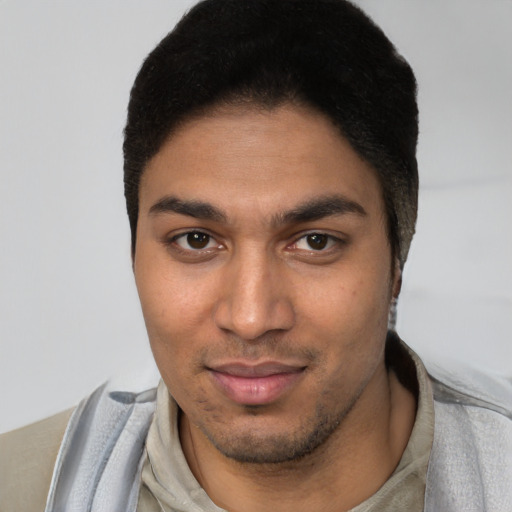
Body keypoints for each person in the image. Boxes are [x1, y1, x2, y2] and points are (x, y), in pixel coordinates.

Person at [1, 1, 510, 511]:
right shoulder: (19, 490)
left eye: (315, 242)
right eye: (196, 240)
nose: (250, 319)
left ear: (397, 256)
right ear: (134, 252)